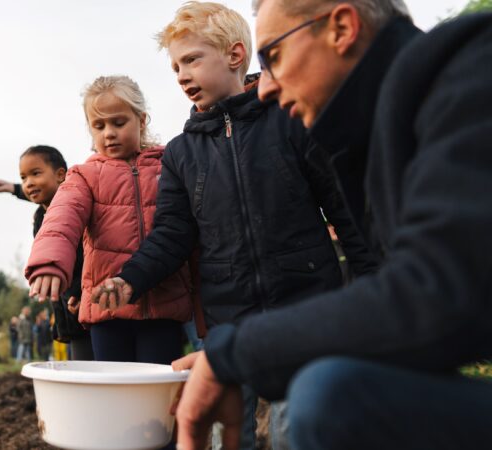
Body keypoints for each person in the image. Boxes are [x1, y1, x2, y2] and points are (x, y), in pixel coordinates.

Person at [173, 2, 492, 450]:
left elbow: (439, 294)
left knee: (328, 396)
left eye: (274, 58)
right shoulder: (371, 141)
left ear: (341, 28)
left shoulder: (472, 67)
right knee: (341, 391)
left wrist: (234, 353)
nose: (263, 87)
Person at [90, 3, 377, 448]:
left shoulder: (289, 119)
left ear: (236, 55)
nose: (181, 74)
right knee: (228, 437)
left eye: (191, 60)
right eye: (175, 67)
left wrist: (374, 282)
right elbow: (172, 233)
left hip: (304, 309)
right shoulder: (182, 153)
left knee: (293, 429)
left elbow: (343, 209)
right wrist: (130, 280)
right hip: (228, 320)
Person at [26, 75, 193, 365]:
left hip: (163, 306)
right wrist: (50, 262)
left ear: (141, 120)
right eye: (99, 126)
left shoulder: (169, 165)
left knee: (157, 396)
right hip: (107, 310)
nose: (109, 134)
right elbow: (62, 218)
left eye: (118, 123)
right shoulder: (84, 176)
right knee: (114, 392)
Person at [0, 146, 95, 361]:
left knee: (94, 375)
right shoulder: (41, 214)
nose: (29, 183)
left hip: (87, 306)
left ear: (61, 175)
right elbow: (40, 192)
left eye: (36, 173)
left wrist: (83, 294)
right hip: (68, 313)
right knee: (79, 372)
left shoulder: (77, 212)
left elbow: (87, 260)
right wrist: (12, 188)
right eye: (23, 177)